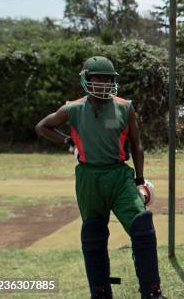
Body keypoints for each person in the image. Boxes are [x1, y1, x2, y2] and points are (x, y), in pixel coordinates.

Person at [35, 56, 165, 299]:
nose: (103, 83)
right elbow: (42, 126)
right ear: (86, 80)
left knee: (143, 228)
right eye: (97, 78)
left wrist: (140, 179)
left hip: (119, 176)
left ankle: (152, 291)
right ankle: (100, 292)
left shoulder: (124, 106)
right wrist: (67, 140)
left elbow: (137, 144)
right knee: (93, 234)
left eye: (108, 79)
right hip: (88, 178)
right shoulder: (72, 109)